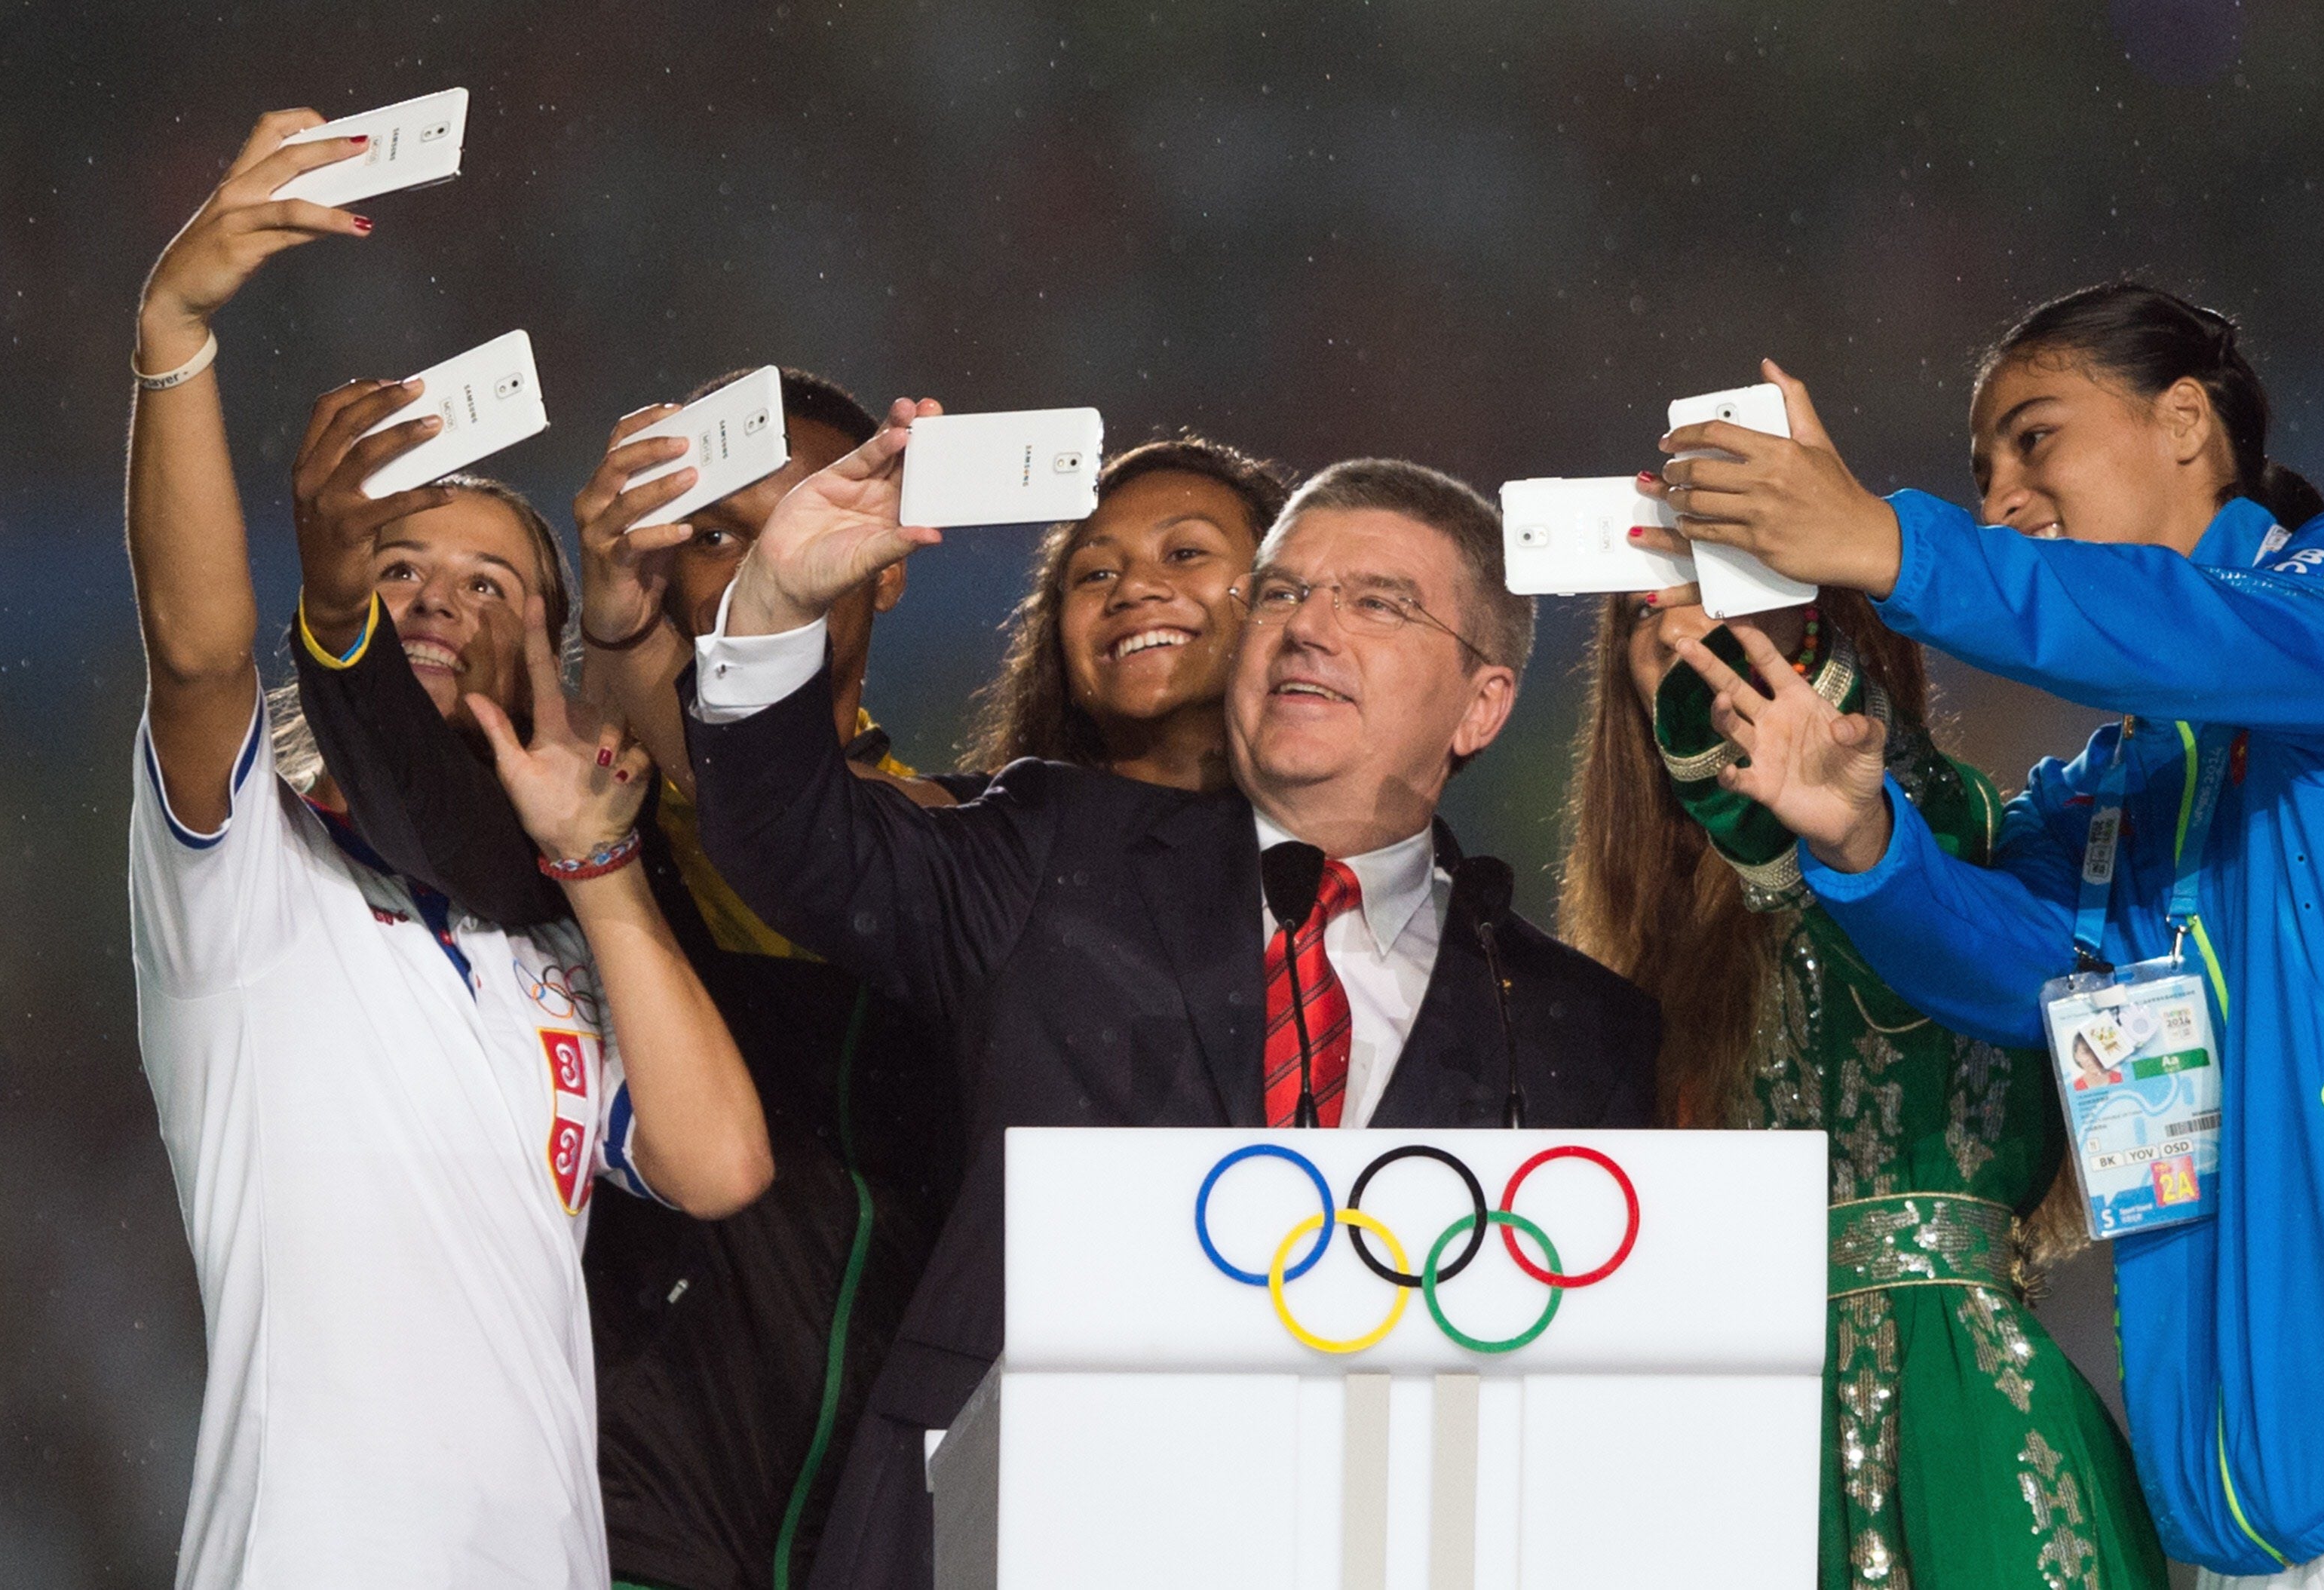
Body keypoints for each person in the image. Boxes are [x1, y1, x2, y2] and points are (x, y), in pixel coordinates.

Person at [1645, 287, 2324, 1585]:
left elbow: (2199, 630)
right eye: (1978, 478)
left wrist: (1892, 545)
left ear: (2189, 422)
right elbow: (2012, 972)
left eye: (2036, 440)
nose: (2002, 498)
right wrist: (1860, 835)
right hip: (2248, 1507)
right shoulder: (2114, 789)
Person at [685, 431, 1663, 1590]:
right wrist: (779, 600)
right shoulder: (1053, 851)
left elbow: (1582, 1399)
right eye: (1286, 591)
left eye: (1379, 603)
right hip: (1009, 1533)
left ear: (1481, 706)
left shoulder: (1573, 1031)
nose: (1308, 624)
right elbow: (793, 840)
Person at [125, 110, 772, 1589]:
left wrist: (600, 873)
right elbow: (198, 653)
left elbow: (719, 1160)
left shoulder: (550, 945)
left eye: (485, 579)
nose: (429, 598)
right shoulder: (242, 884)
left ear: (541, 648)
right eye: (396, 564)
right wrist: (175, 338)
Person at [293, 364, 963, 1590]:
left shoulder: (975, 851)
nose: (767, 560)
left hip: (891, 1534)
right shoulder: (596, 825)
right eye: (710, 535)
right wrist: (346, 612)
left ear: (891, 558)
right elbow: (416, 807)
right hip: (626, 1530)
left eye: (802, 518)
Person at [1559, 584, 2168, 1589]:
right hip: (1740, 1431)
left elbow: (1882, 826)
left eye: (1716, 587)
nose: (1679, 628)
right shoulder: (1643, 937)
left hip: (1966, 1401)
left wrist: (1835, 779)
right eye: (1642, 613)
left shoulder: (1950, 826)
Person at [959, 434, 1291, 787]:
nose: (1132, 588)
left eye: (1185, 554)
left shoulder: (1348, 826)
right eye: (1097, 574)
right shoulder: (999, 821)